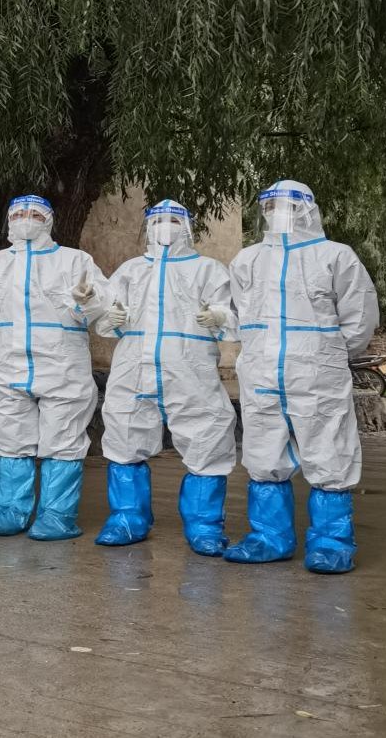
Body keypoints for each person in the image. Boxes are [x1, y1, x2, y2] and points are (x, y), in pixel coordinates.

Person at [225, 180, 379, 574]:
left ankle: (331, 545)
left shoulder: (335, 256)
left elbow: (360, 317)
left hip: (317, 375)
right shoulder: (247, 260)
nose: (278, 213)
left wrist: (327, 353)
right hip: (261, 373)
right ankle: (268, 538)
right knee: (263, 452)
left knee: (329, 450)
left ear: (308, 210)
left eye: (288, 206)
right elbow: (239, 315)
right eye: (270, 206)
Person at [0, 195, 108, 540]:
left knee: (63, 440)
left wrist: (88, 300)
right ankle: (11, 512)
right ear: (9, 220)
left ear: (49, 220)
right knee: (11, 441)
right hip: (7, 367)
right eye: (19, 213)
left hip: (62, 368)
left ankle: (57, 516)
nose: (26, 218)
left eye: (35, 213)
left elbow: (99, 308)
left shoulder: (75, 260)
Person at [93, 199, 238, 555]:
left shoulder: (207, 269)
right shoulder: (130, 270)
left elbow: (230, 314)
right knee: (125, 436)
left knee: (206, 438)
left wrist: (219, 318)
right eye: (157, 220)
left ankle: (204, 526)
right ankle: (127, 518)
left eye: (173, 219)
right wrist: (112, 318)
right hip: (133, 369)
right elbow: (109, 317)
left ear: (186, 226)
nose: (165, 226)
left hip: (190, 371)